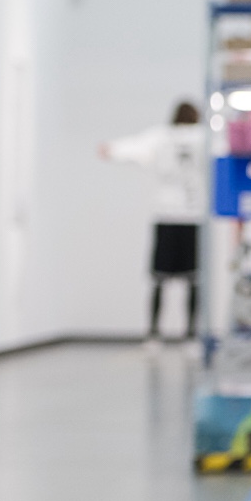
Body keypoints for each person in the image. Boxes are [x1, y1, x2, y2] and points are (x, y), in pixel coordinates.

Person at [100, 101, 207, 340]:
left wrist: (110, 149)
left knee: (159, 279)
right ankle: (191, 335)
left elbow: (133, 148)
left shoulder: (161, 136)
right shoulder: (203, 137)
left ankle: (153, 334)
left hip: (166, 215)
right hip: (193, 216)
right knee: (194, 280)